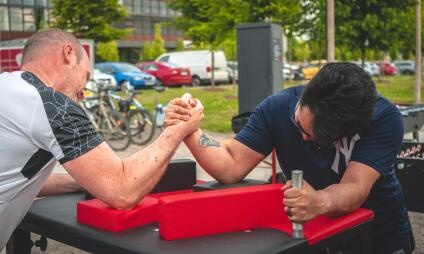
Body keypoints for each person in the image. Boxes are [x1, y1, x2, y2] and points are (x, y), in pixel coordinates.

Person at [165, 62, 412, 254]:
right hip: (316, 231)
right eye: (299, 126)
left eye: (316, 138)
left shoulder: (383, 118)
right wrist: (189, 130)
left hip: (378, 234)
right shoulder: (277, 107)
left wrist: (318, 200)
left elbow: (354, 187)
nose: (304, 139)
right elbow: (230, 163)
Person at [0, 28, 203, 248]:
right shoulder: (50, 104)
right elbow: (122, 191)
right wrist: (178, 129)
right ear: (68, 53)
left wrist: (85, 181)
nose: (82, 93)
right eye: (85, 77)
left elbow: (15, 177)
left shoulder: (7, 86)